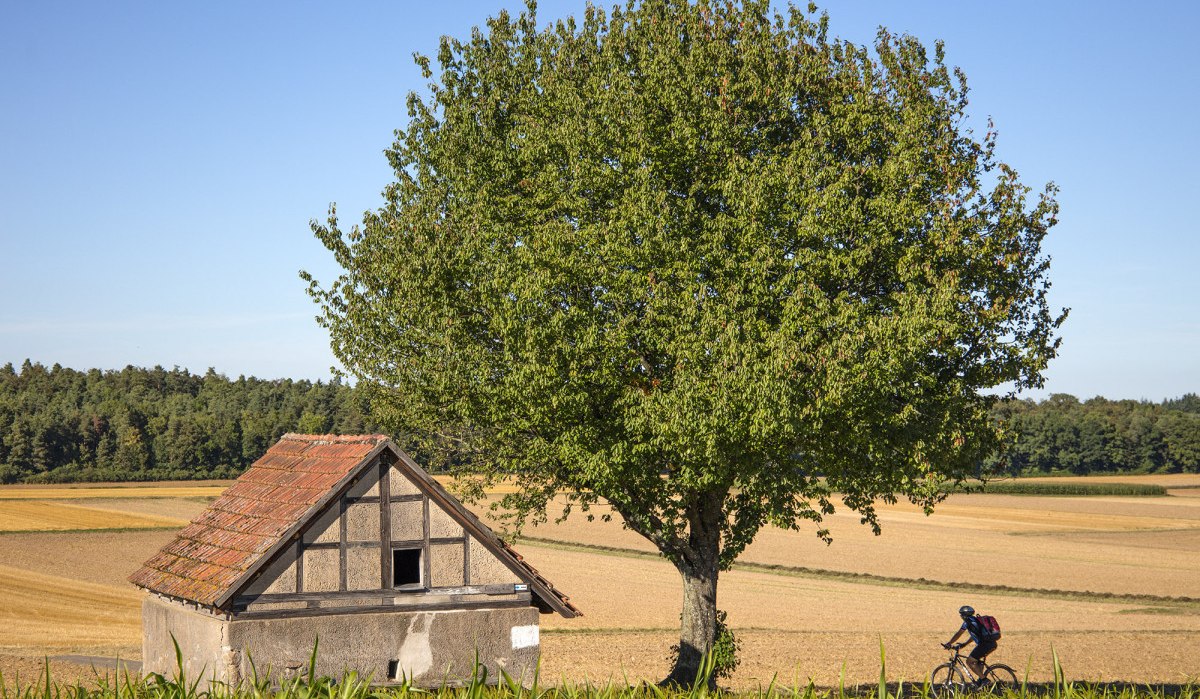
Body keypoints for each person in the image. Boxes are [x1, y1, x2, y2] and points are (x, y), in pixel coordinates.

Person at [943, 605, 998, 680]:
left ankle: (984, 680)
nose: (961, 616)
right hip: (992, 643)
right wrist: (965, 644)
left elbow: (959, 633)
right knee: (977, 661)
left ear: (964, 615)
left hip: (984, 645)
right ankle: (981, 682)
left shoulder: (967, 622)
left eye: (961, 615)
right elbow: (974, 636)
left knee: (969, 661)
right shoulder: (976, 621)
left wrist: (949, 643)